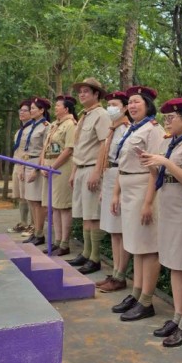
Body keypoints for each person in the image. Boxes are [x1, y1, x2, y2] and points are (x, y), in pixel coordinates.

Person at [140, 97, 182, 347]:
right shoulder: (169, 142)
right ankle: (177, 317)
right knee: (175, 266)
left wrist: (165, 162)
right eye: (165, 117)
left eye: (171, 117)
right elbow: (161, 175)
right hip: (168, 205)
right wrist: (151, 163)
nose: (167, 122)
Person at [110, 85, 165, 321]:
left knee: (148, 247)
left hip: (144, 188)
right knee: (136, 246)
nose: (132, 106)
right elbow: (122, 165)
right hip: (128, 186)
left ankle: (146, 300)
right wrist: (116, 193)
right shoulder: (133, 129)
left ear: (148, 105)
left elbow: (155, 169)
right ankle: (136, 293)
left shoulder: (153, 130)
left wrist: (148, 202)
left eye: (137, 102)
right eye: (130, 102)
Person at [68, 77, 110, 275]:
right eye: (80, 91)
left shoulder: (101, 115)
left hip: (92, 168)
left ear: (96, 94)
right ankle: (86, 253)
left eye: (86, 91)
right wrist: (74, 172)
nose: (82, 94)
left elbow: (104, 144)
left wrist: (97, 172)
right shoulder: (84, 115)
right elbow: (79, 147)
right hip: (81, 167)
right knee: (85, 214)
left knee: (93, 215)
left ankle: (95, 258)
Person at [96, 91, 132, 293]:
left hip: (119, 175)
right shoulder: (113, 129)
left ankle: (120, 275)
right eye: (108, 104)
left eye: (115, 104)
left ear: (125, 108)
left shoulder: (126, 130)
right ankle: (116, 271)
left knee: (120, 229)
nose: (110, 107)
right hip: (109, 175)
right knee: (113, 230)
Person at [39, 95, 77, 256]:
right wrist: (42, 165)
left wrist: (52, 167)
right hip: (49, 167)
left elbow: (69, 149)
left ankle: (64, 243)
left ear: (66, 109)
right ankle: (56, 241)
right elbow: (45, 146)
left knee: (63, 206)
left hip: (62, 167)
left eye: (58, 106)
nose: (55, 108)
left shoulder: (71, 125)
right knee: (54, 206)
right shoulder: (54, 124)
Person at [23, 97, 51, 246]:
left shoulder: (46, 127)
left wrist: (37, 169)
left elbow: (45, 150)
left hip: (37, 164)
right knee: (31, 201)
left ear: (42, 110)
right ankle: (35, 231)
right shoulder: (31, 126)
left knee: (38, 201)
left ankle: (40, 233)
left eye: (34, 108)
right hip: (28, 162)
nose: (31, 110)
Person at [7, 100, 33, 235]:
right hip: (17, 165)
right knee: (20, 196)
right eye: (20, 110)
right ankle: (23, 223)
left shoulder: (33, 129)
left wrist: (23, 166)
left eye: (25, 110)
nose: (21, 113)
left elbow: (30, 151)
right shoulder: (19, 131)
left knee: (30, 196)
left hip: (27, 166)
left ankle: (33, 225)